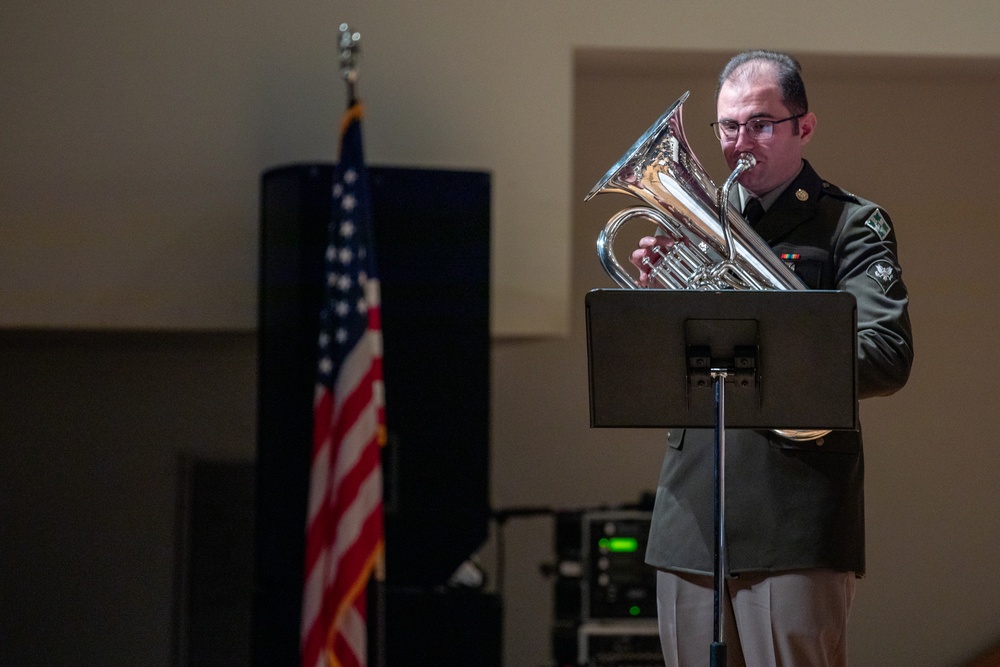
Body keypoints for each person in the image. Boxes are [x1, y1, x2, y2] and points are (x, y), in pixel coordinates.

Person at [630, 50, 914, 666]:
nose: (739, 143)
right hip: (690, 514)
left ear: (803, 127)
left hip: (795, 513)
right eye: (728, 126)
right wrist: (659, 306)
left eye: (759, 123)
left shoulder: (850, 225)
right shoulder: (701, 225)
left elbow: (886, 354)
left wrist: (772, 334)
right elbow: (663, 373)